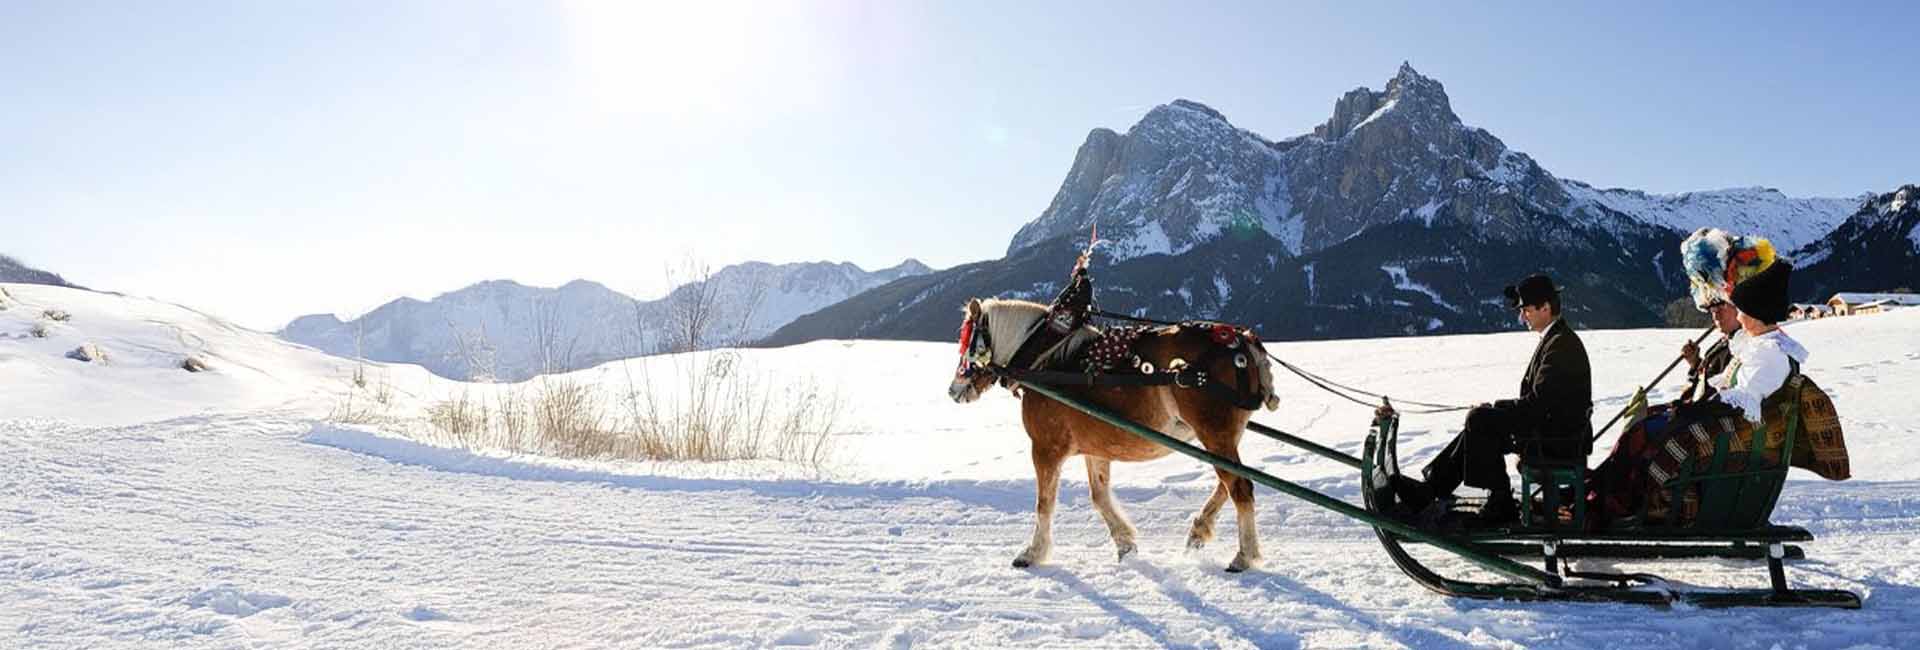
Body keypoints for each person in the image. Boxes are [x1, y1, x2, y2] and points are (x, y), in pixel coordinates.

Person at [1398, 274, 1593, 525]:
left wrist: (1495, 410)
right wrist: (1495, 409)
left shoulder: (1560, 346)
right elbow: (1540, 402)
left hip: (1555, 438)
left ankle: (1498, 502)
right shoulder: (1557, 339)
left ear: (1546, 307)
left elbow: (1538, 404)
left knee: (1480, 420)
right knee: (1479, 422)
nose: (1523, 316)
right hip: (1554, 430)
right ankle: (1431, 489)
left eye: (1527, 310)